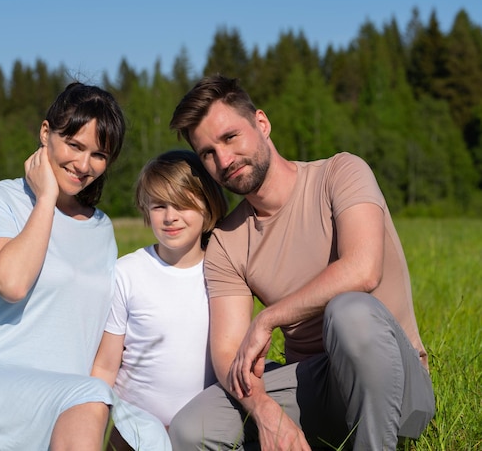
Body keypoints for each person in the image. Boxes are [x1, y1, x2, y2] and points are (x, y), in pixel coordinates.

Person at [167, 75, 435, 450]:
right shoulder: (227, 242)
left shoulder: (340, 173)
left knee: (349, 311)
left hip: (396, 386)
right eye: (208, 153)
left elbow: (364, 268)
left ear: (261, 123)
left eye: (230, 138)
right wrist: (265, 411)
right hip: (316, 387)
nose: (223, 160)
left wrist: (269, 318)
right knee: (190, 428)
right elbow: (229, 354)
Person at [0, 82, 169, 451]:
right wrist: (46, 198)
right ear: (45, 134)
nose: (84, 165)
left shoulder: (102, 227)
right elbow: (12, 282)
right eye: (74, 145)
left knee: (149, 434)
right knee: (90, 396)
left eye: (99, 154)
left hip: (64, 398)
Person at [92, 149, 228, 441]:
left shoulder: (224, 272)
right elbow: (105, 365)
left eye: (182, 205)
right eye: (158, 206)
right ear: (145, 210)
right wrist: (94, 427)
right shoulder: (126, 273)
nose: (170, 217)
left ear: (208, 208)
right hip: (132, 428)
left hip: (203, 430)